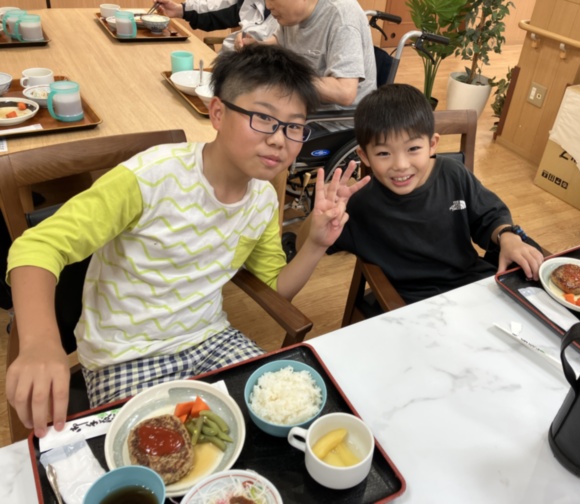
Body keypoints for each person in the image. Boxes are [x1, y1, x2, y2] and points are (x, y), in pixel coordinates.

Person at [5, 45, 367, 438]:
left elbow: (275, 289)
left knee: (282, 422)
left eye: (294, 126)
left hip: (210, 340)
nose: (280, 140)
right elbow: (37, 247)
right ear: (218, 113)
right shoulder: (151, 177)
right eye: (264, 118)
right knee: (167, 454)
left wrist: (315, 243)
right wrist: (40, 343)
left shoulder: (262, 198)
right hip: (125, 356)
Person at [326, 83, 545, 304]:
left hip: (471, 282)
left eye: (413, 149)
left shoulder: (453, 173)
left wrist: (507, 236)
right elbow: (319, 239)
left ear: (432, 144)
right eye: (383, 153)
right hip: (414, 302)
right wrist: (323, 213)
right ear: (364, 156)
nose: (401, 165)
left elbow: (489, 215)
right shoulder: (362, 203)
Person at [236, 0, 377, 109]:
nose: (268, 6)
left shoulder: (342, 16)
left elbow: (344, 92)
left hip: (334, 123)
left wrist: (287, 78)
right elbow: (281, 41)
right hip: (301, 107)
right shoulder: (292, 16)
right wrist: (256, 46)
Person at [156, 0, 278, 52]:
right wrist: (180, 9)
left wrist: (259, 45)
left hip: (256, 78)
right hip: (228, 66)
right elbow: (225, 6)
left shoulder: (287, 17)